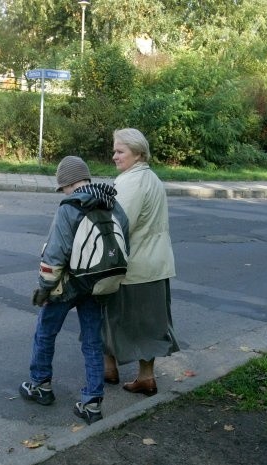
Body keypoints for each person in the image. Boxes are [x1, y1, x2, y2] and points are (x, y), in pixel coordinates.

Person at [20, 155, 129, 424]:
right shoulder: (112, 203)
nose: (64, 191)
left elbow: (55, 254)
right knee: (92, 340)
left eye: (63, 187)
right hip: (98, 285)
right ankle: (92, 402)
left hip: (67, 286)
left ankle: (40, 385)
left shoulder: (69, 207)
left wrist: (44, 289)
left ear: (68, 184)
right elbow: (126, 241)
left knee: (45, 331)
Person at [102, 128, 179, 396]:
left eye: (120, 151)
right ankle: (142, 376)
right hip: (155, 264)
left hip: (134, 266)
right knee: (150, 323)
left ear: (137, 153)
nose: (114, 156)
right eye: (114, 150)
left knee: (110, 316)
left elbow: (119, 225)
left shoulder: (129, 183)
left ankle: (111, 369)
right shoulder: (152, 179)